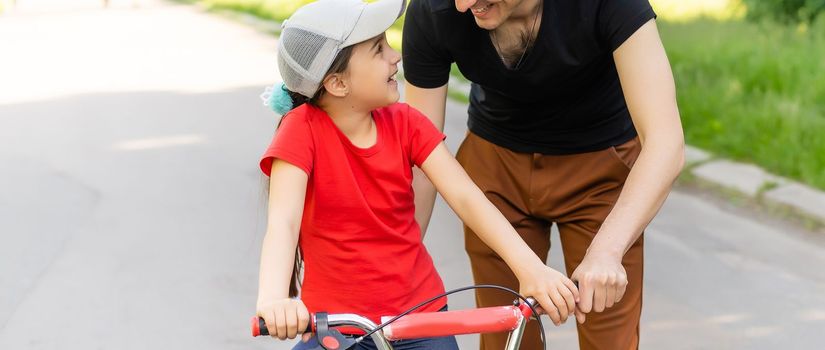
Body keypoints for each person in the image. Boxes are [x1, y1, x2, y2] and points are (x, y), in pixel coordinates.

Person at [254, 0, 581, 349]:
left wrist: (530, 269)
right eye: (379, 49)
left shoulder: (406, 122)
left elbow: (466, 198)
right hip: (334, 326)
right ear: (337, 83)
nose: (395, 56)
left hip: (419, 318)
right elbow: (283, 223)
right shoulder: (299, 132)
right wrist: (273, 299)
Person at [402, 0, 686, 349]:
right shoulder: (435, 9)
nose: (464, 5)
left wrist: (607, 252)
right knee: (507, 336)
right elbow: (420, 158)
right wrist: (397, 266)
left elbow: (665, 141)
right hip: (496, 166)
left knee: (610, 337)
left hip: (600, 169)